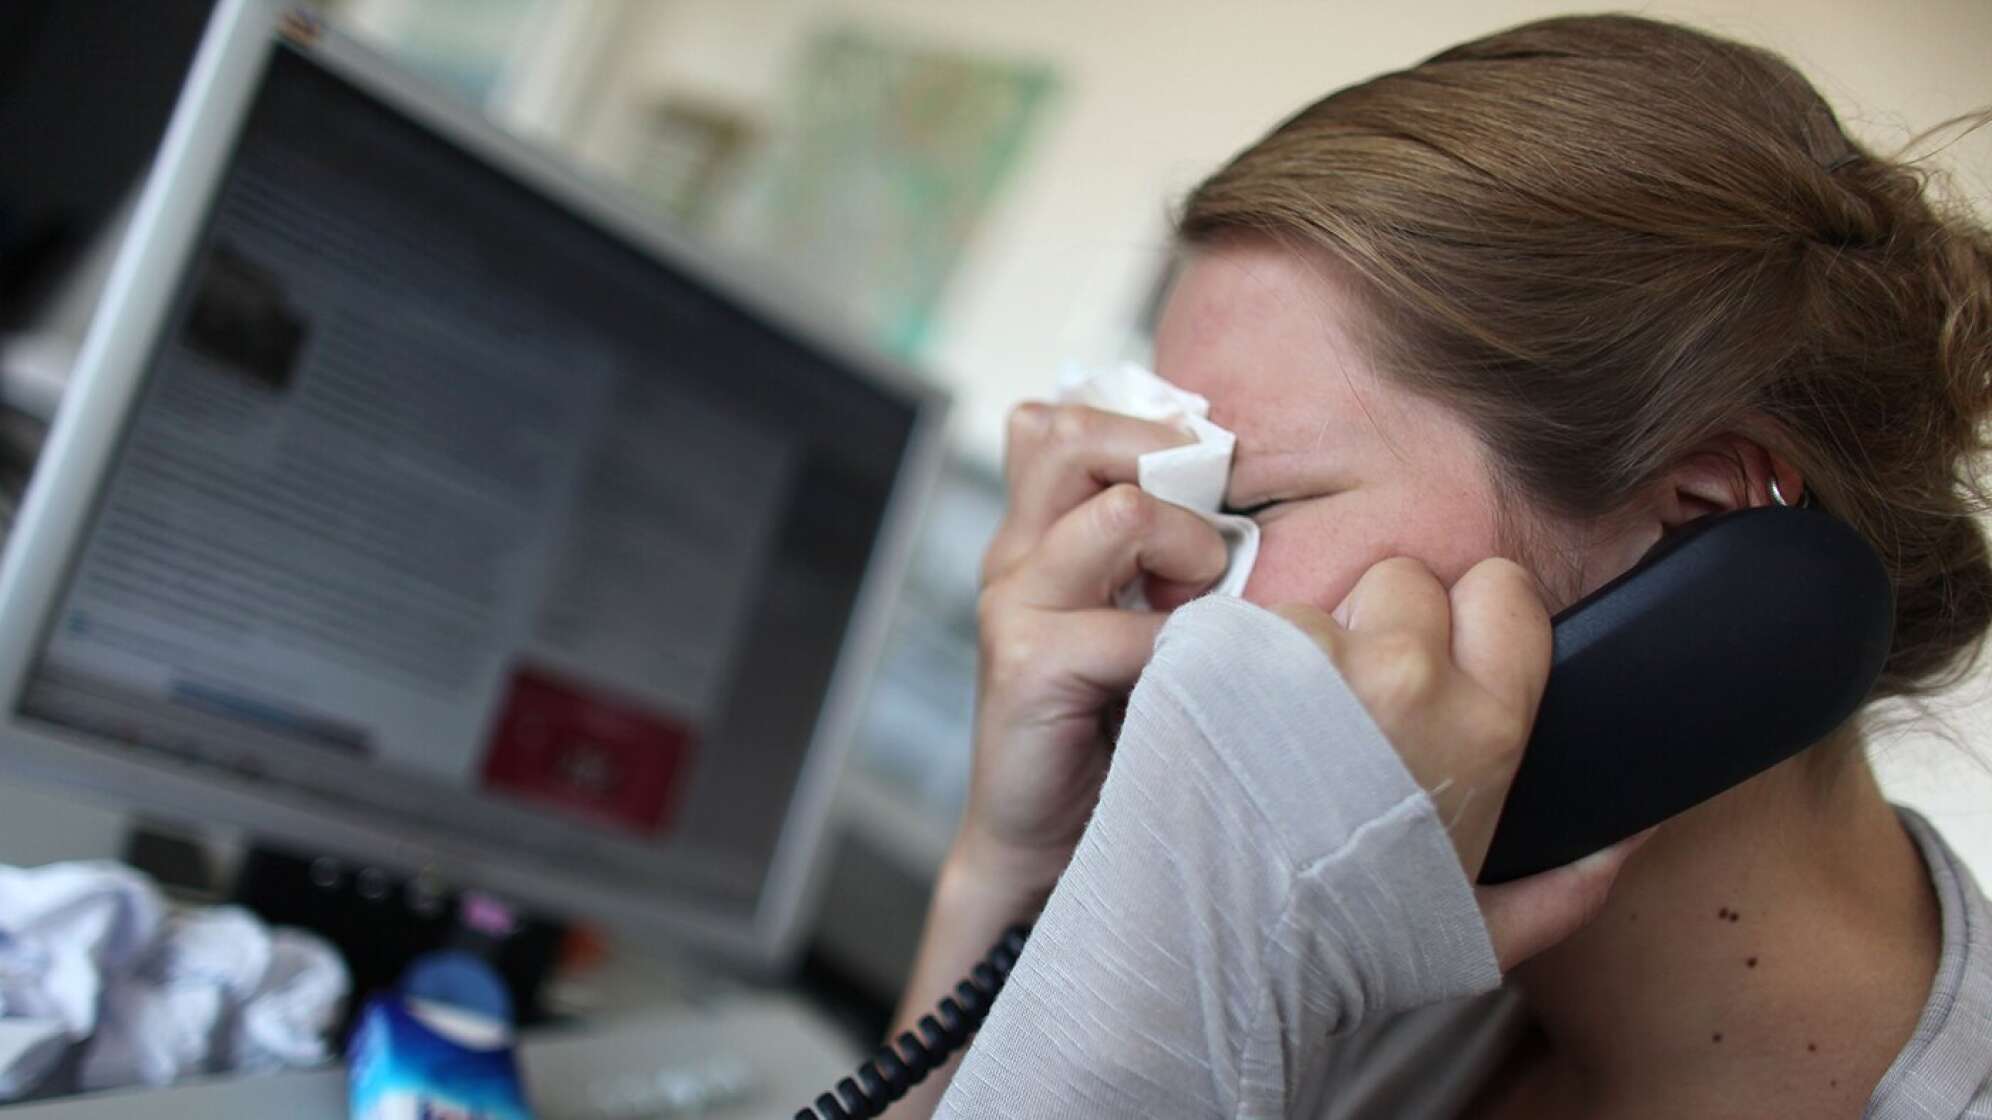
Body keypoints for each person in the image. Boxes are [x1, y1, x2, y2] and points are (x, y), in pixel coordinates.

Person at [883, 13, 1992, 1120]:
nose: (1139, 596)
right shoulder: (1367, 933)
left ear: (1705, 523)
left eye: (1251, 505)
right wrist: (1019, 875)